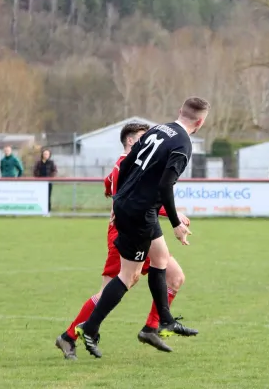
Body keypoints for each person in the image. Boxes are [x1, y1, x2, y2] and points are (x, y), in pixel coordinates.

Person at [75, 97, 210, 358]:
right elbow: (165, 186)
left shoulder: (159, 129)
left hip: (132, 206)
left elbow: (126, 164)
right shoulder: (182, 143)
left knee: (160, 259)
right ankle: (89, 328)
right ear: (201, 122)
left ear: (180, 111)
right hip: (140, 212)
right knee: (129, 275)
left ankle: (162, 322)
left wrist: (119, 200)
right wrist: (175, 223)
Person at [55, 123, 192, 360]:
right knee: (114, 286)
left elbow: (109, 184)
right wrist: (172, 215)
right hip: (125, 230)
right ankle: (69, 336)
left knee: (174, 276)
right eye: (143, 137)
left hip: (142, 226)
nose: (150, 141)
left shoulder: (135, 163)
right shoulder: (125, 163)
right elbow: (132, 199)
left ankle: (152, 327)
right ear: (131, 141)